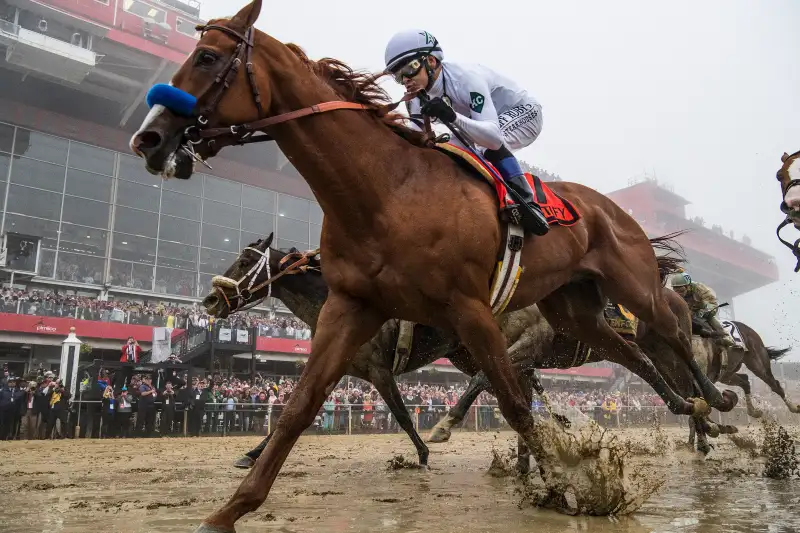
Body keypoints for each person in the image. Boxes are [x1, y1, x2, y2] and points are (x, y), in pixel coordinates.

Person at [384, 29, 549, 235]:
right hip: (485, 122)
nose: (405, 80)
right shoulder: (415, 99)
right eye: (398, 76)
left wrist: (452, 116)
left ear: (432, 62)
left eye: (410, 68)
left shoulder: (466, 79)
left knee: (482, 145)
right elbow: (416, 143)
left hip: (524, 113)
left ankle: (528, 203)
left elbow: (493, 138)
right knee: (446, 149)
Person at [668, 272, 735, 348]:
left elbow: (712, 303)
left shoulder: (700, 288)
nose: (679, 294)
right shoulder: (676, 295)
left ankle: (725, 335)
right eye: (675, 290)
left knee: (708, 316)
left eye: (681, 290)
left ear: (688, 286)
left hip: (706, 306)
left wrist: (705, 311)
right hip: (691, 310)